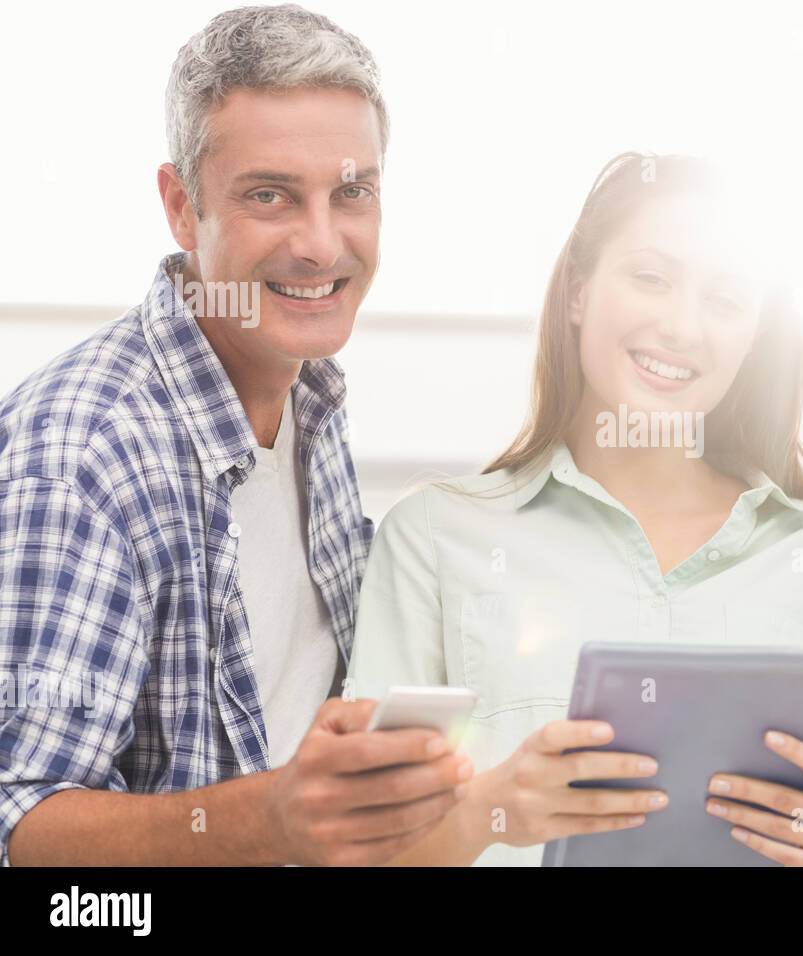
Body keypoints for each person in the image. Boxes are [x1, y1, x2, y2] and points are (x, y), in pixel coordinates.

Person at [347, 151, 803, 866]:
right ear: (579, 292)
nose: (684, 327)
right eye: (652, 278)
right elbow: (357, 850)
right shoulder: (434, 539)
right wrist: (486, 812)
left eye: (727, 299)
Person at [0, 4, 468, 866]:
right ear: (183, 207)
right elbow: (18, 822)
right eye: (269, 196)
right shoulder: (82, 459)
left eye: (352, 192)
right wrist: (265, 820)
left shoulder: (309, 393)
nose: (322, 243)